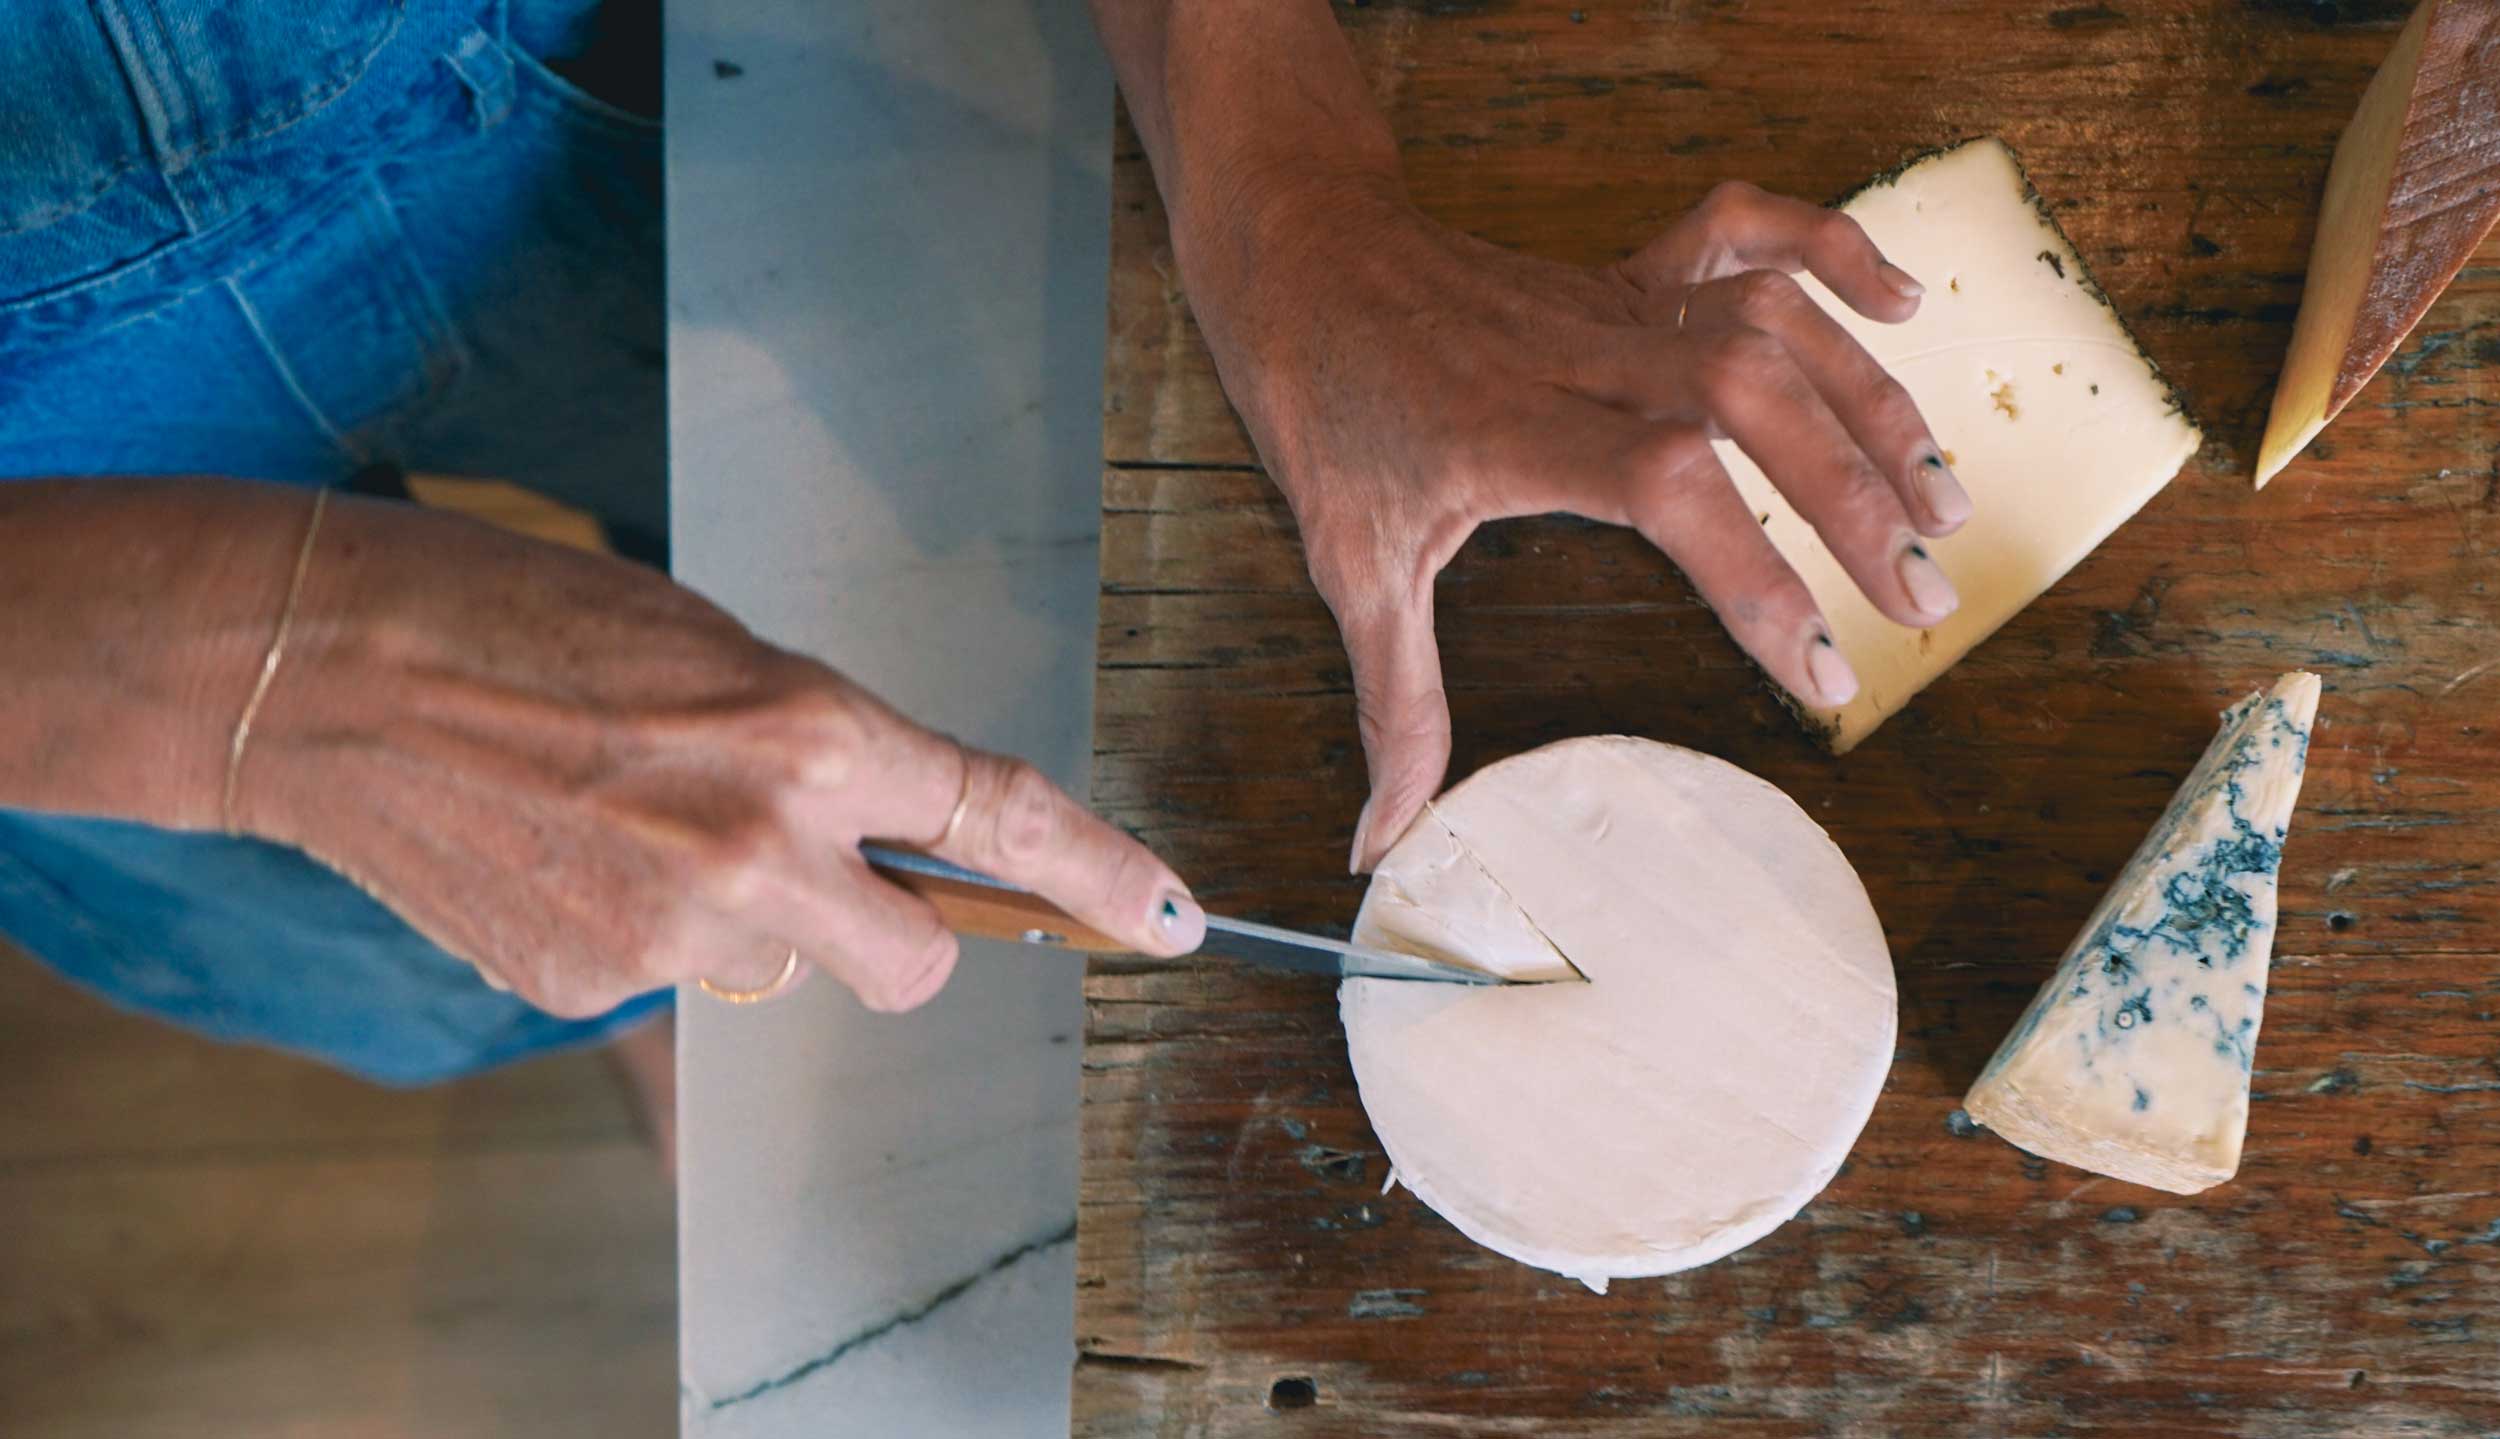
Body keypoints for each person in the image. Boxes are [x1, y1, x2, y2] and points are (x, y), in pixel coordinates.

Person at [0, 0, 1963, 1097]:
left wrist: (1286, 191)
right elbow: (297, 720)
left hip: (528, 72)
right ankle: (640, 1028)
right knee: (409, 958)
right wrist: (268, 700)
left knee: (776, 631)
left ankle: (678, 945)